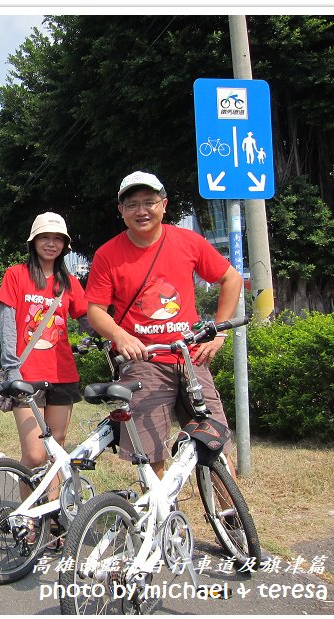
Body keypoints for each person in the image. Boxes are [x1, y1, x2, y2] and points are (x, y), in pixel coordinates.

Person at [84, 171, 243, 479]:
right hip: (144, 363)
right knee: (151, 452)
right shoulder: (108, 254)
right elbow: (96, 311)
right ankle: (158, 524)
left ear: (164, 205)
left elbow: (231, 278)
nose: (141, 211)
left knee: (215, 448)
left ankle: (233, 523)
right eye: (132, 204)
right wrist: (119, 334)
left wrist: (219, 330)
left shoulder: (187, 242)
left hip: (190, 358)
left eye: (149, 202)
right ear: (121, 211)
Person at [0, 212, 89, 540]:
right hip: (27, 376)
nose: (52, 243)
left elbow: (86, 318)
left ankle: (54, 515)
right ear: (33, 242)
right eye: (45, 237)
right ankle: (28, 517)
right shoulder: (16, 275)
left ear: (64, 244)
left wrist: (110, 336)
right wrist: (11, 367)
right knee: (35, 453)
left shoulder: (69, 282)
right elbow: (8, 323)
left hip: (63, 373)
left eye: (58, 238)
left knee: (57, 450)